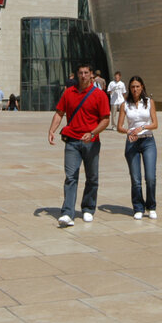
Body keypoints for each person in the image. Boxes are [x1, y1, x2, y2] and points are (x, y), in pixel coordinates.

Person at [47, 63, 110, 227]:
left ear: (91, 75)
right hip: (73, 141)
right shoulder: (69, 93)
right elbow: (59, 113)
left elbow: (105, 119)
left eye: (86, 73)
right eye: (80, 73)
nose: (83, 76)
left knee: (92, 177)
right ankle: (68, 212)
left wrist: (94, 133)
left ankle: (88, 208)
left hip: (91, 142)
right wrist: (52, 130)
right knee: (70, 177)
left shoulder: (99, 95)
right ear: (77, 74)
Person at [117, 75, 159, 219]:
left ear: (142, 87)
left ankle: (151, 206)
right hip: (132, 142)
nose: (135, 89)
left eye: (137, 86)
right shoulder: (125, 104)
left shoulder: (149, 102)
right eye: (133, 87)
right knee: (136, 179)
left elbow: (155, 124)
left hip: (148, 141)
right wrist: (129, 131)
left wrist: (142, 127)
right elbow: (119, 127)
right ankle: (138, 207)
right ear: (129, 88)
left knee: (150, 177)